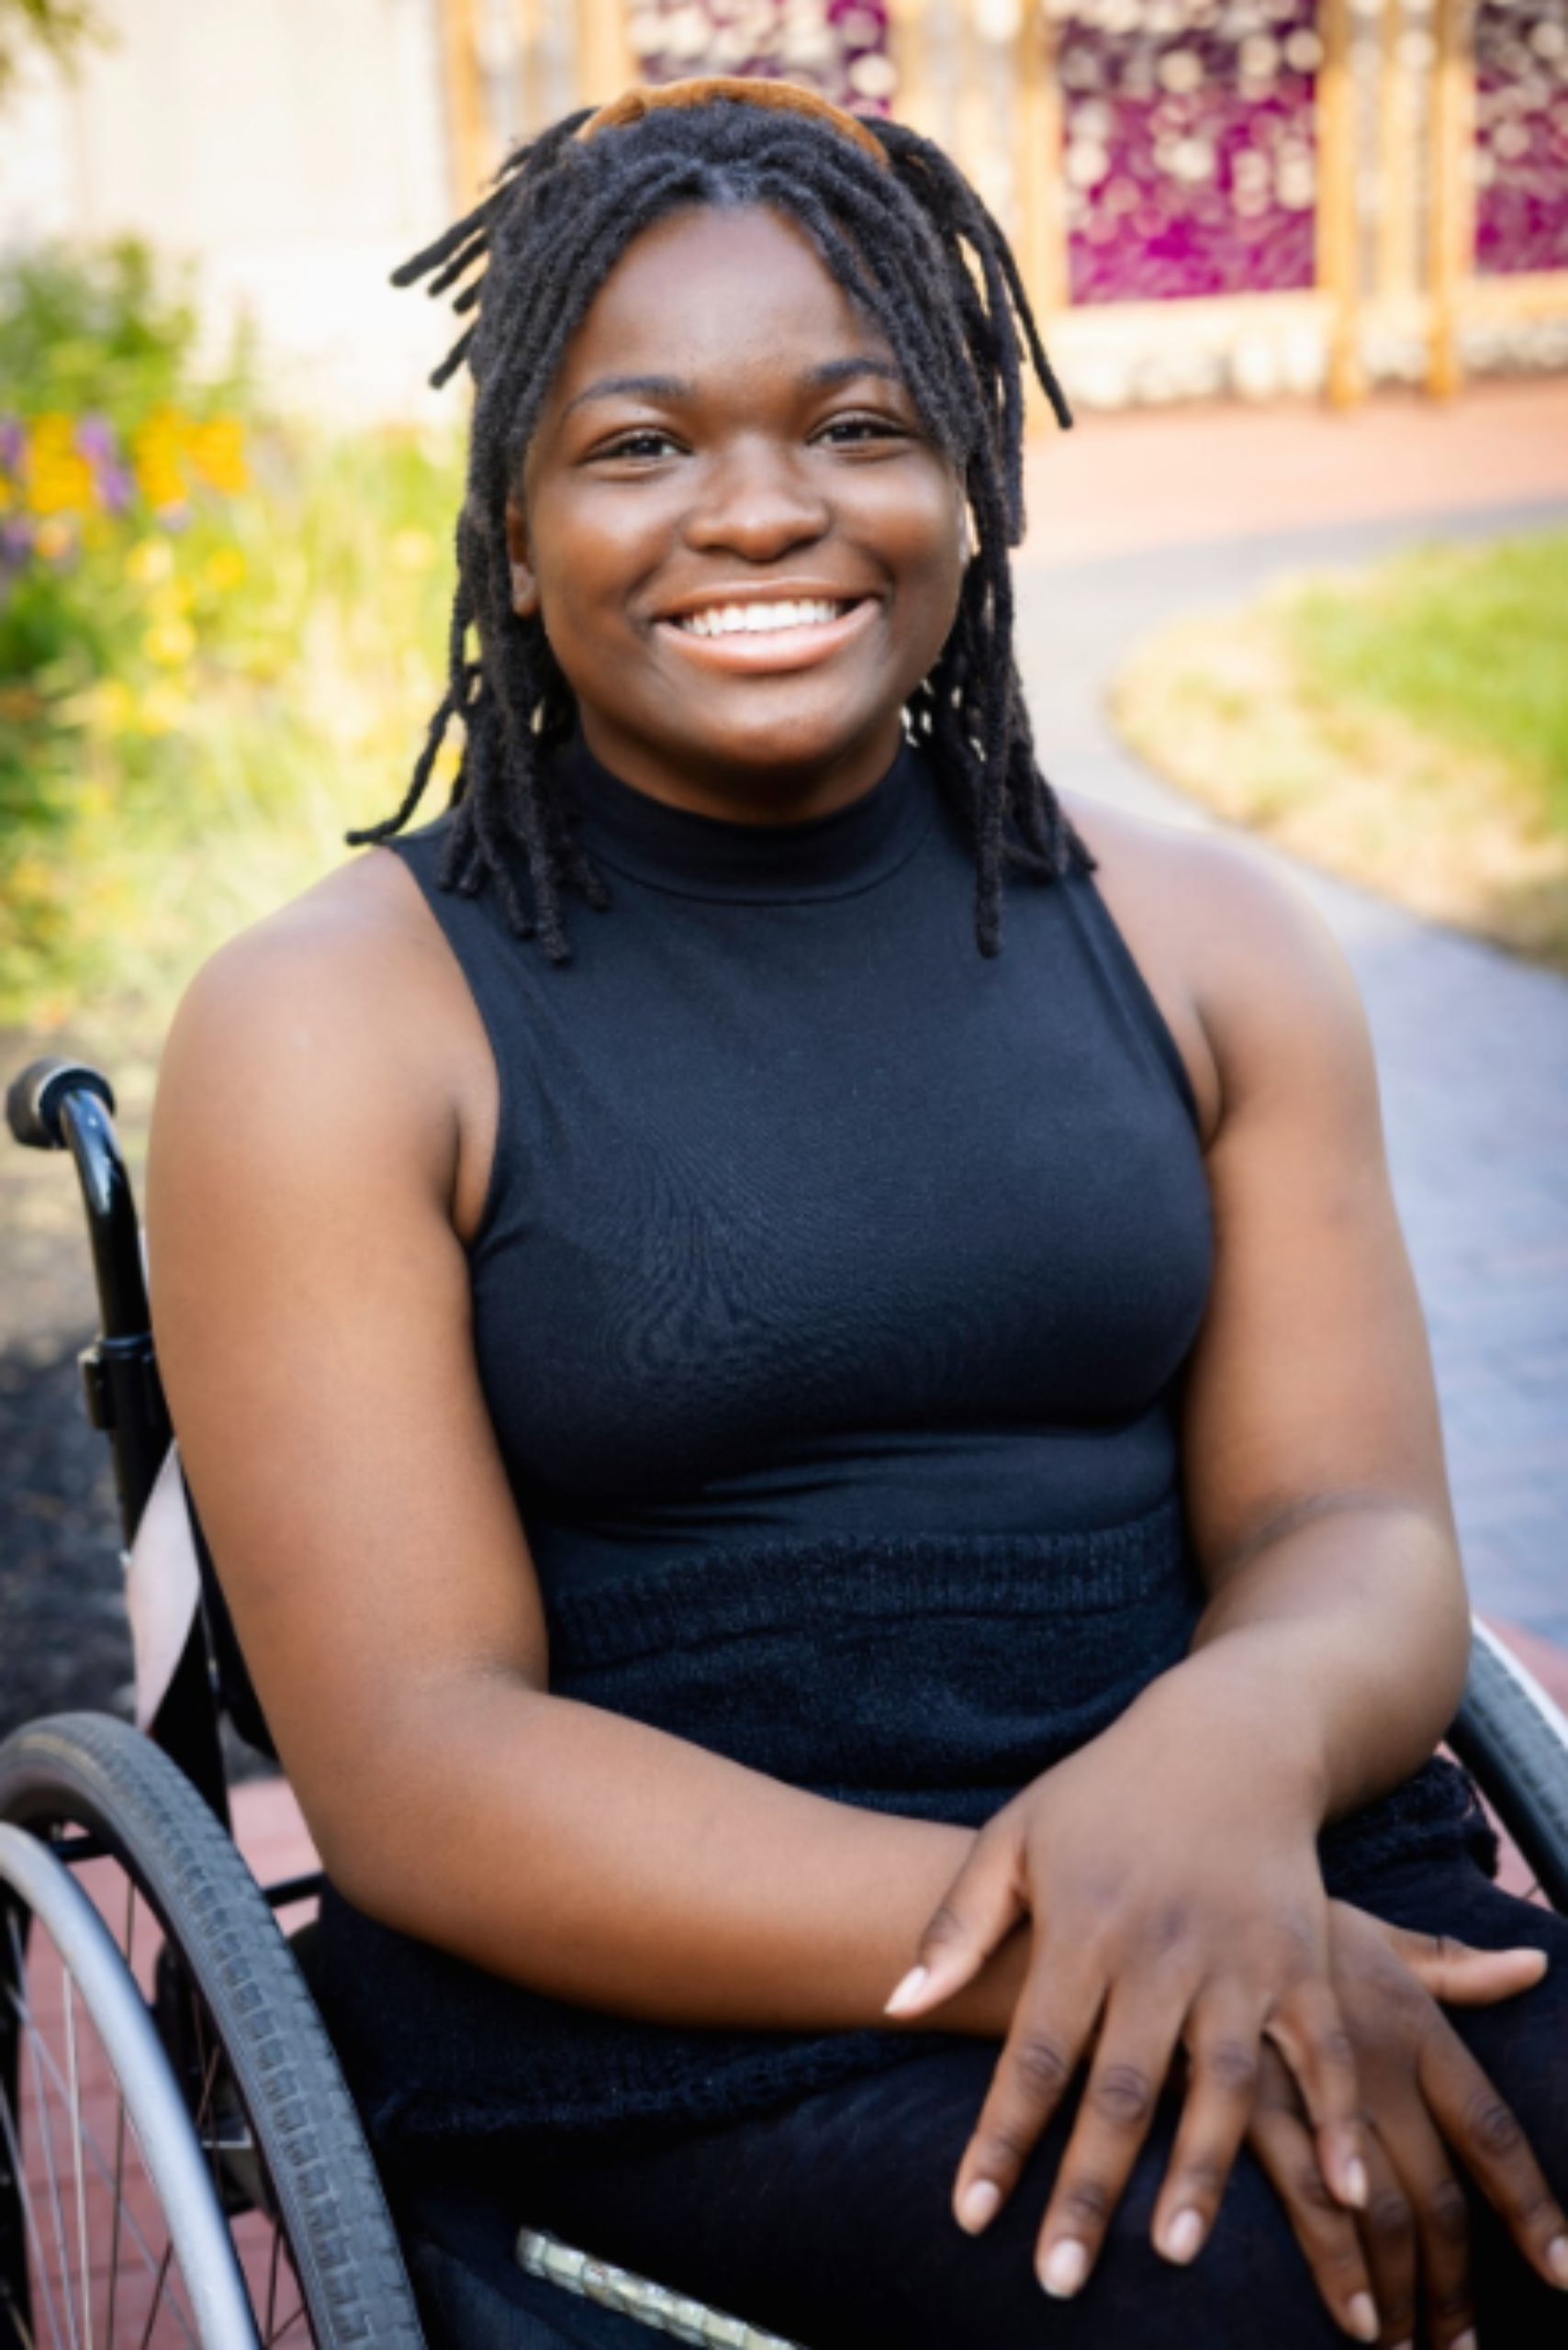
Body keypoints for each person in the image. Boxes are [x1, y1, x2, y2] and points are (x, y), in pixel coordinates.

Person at [147, 79, 1568, 2350]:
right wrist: (1094, 1932)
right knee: (1236, 2292)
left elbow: (1352, 1525)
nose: (759, 511)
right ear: (510, 533)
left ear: (970, 489)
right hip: (680, 1977)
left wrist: (1218, 1773)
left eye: (856, 423)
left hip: (1249, 1842)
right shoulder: (335, 1023)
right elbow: (418, 1754)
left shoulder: (1200, 937)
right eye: (636, 447)